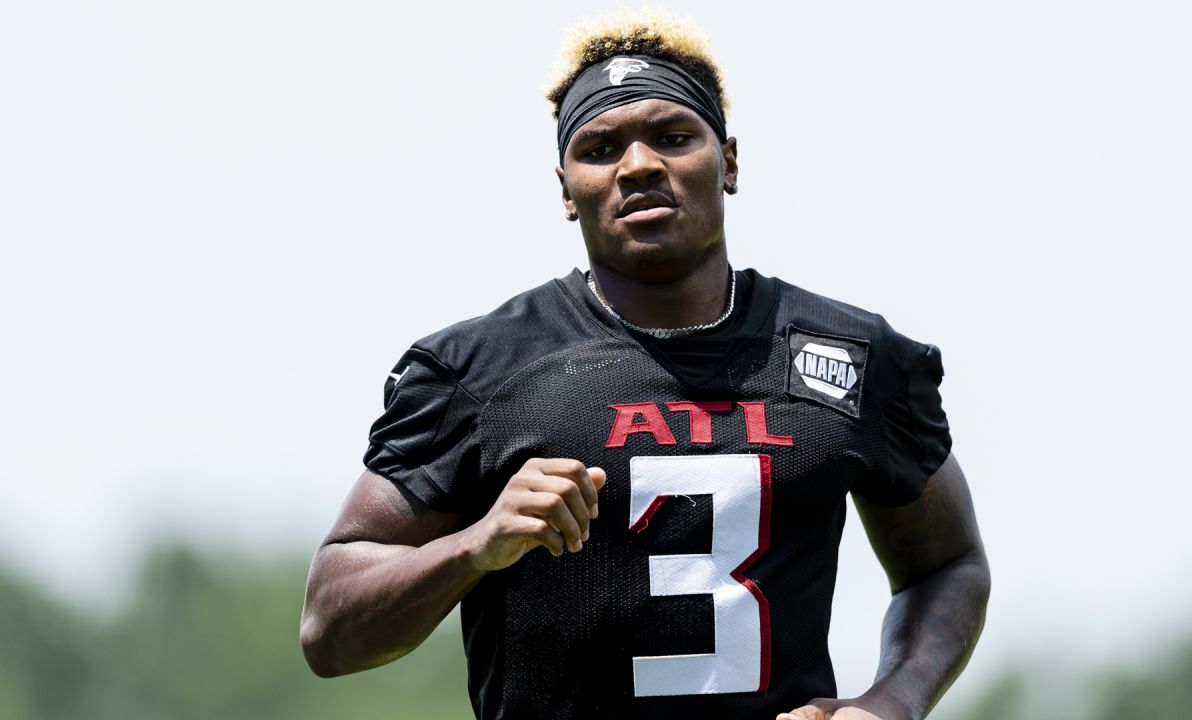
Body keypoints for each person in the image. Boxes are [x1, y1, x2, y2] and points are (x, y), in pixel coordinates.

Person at [300, 10, 990, 720]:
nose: (638, 166)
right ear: (566, 190)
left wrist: (893, 700)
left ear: (728, 161)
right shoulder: (480, 371)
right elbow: (328, 630)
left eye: (672, 137)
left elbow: (947, 564)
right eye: (599, 148)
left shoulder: (848, 357)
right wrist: (476, 545)